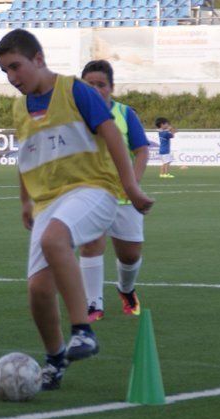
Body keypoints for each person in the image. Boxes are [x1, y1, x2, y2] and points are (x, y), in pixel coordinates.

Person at [0, 29, 153, 390]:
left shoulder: (74, 90)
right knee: (38, 289)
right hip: (48, 201)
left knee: (54, 240)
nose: (12, 77)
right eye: (5, 71)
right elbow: (26, 155)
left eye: (16, 66)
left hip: (94, 189)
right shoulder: (20, 107)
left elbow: (111, 134)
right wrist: (24, 201)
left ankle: (83, 329)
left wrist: (130, 186)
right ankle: (55, 360)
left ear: (38, 59)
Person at [77, 60, 150, 322]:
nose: (96, 89)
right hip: (87, 194)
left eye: (101, 85)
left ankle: (126, 289)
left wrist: (133, 183)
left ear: (111, 87)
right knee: (90, 245)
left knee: (129, 255)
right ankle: (93, 303)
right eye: (89, 85)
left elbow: (141, 150)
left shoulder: (124, 113)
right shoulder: (72, 115)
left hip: (123, 197)